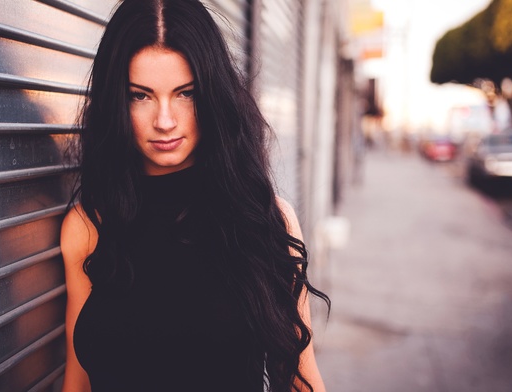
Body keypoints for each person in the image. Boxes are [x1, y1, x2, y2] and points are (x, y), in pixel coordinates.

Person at [60, 0, 330, 390]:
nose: (165, 121)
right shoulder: (88, 228)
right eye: (141, 95)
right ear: (116, 102)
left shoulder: (264, 222)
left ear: (212, 95)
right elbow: (77, 382)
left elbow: (303, 381)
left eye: (184, 93)